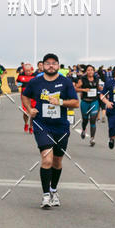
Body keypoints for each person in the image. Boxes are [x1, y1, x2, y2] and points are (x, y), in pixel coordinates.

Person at [21, 53, 79, 208]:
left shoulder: (65, 82)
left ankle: (54, 190)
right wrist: (29, 109)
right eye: (48, 63)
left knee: (57, 161)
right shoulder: (36, 82)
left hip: (61, 126)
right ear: (43, 65)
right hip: (42, 125)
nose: (51, 66)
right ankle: (46, 195)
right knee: (47, 159)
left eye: (54, 63)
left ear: (58, 65)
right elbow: (25, 96)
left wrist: (60, 102)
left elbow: (75, 103)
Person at [75, 64, 102, 146]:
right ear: (86, 71)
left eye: (92, 70)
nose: (90, 71)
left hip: (94, 101)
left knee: (93, 120)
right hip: (85, 102)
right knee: (85, 119)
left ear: (94, 71)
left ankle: (92, 139)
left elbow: (98, 87)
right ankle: (83, 129)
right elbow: (75, 88)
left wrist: (100, 88)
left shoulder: (97, 79)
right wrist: (83, 89)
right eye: (88, 70)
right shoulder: (82, 79)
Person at [16, 63, 35, 132]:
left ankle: (31, 126)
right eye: (26, 71)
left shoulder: (35, 76)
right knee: (26, 112)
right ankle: (26, 123)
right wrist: (19, 84)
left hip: (33, 97)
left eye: (29, 70)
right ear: (24, 70)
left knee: (33, 112)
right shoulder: (21, 75)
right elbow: (17, 82)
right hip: (24, 97)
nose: (28, 72)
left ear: (31, 70)